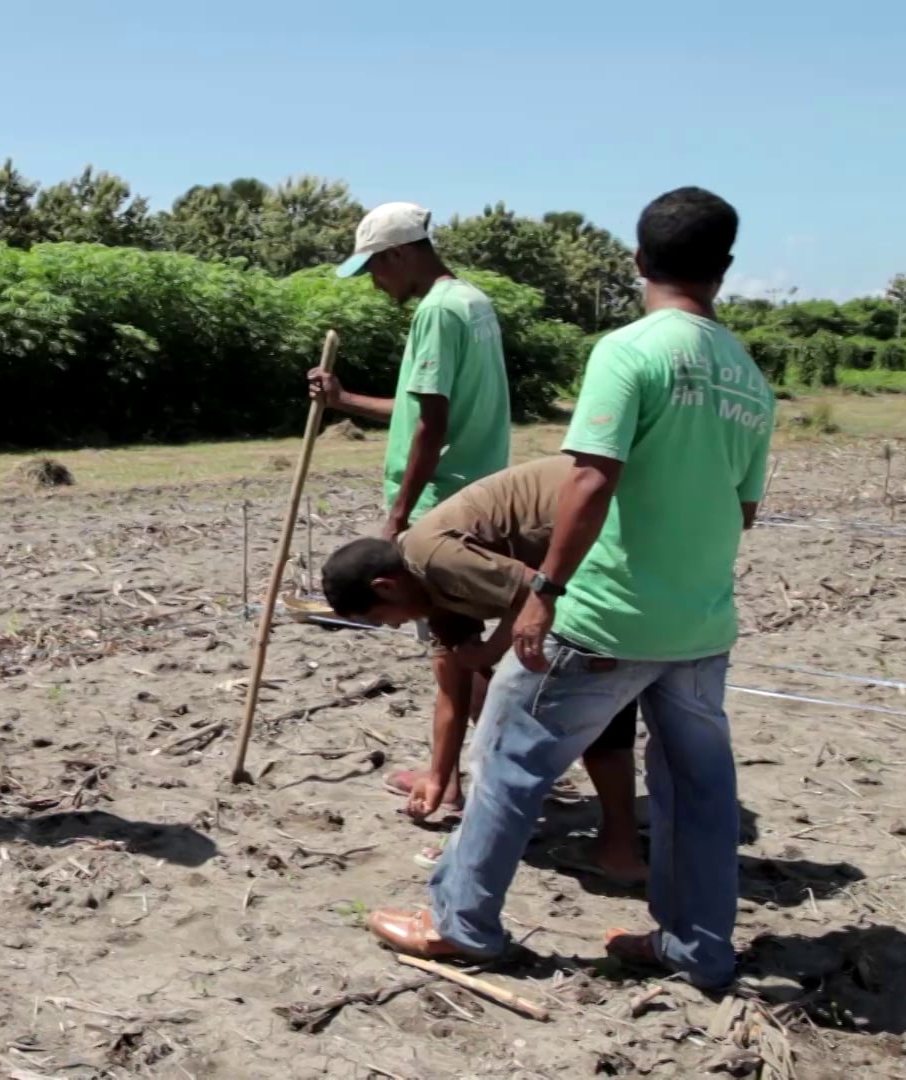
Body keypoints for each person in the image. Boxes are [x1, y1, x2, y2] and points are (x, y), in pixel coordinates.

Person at [366, 187, 771, 992]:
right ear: (725, 268)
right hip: (700, 625)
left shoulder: (629, 351)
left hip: (605, 615)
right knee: (697, 792)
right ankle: (697, 946)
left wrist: (545, 589)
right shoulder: (749, 376)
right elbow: (745, 510)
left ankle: (461, 923)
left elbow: (588, 478)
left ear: (636, 259)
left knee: (509, 759)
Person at [320, 455, 644, 887]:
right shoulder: (422, 589)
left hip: (612, 527)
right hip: (578, 563)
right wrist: (439, 780)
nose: (393, 627)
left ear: (386, 586)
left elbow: (540, 591)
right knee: (493, 688)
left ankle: (612, 848)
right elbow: (451, 688)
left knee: (573, 693)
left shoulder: (433, 557)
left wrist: (490, 651)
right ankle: (507, 813)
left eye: (381, 618)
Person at [310, 202, 513, 544]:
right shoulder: (472, 300)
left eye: (373, 270)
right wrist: (341, 399)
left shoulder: (437, 311)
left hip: (440, 505)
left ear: (397, 254)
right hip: (481, 497)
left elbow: (431, 425)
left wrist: (398, 518)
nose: (375, 285)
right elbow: (424, 410)